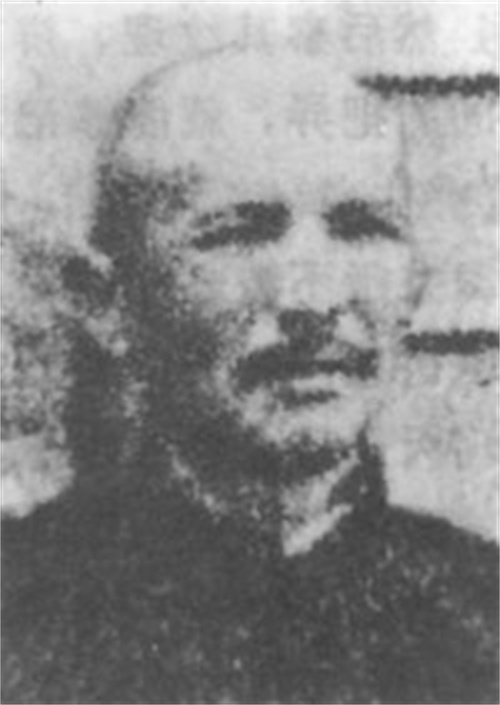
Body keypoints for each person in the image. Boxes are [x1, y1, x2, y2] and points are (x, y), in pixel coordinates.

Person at [2, 49, 498, 704]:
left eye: (362, 228)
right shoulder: (20, 610)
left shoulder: (481, 614)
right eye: (238, 234)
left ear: (416, 284)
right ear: (107, 301)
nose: (313, 301)